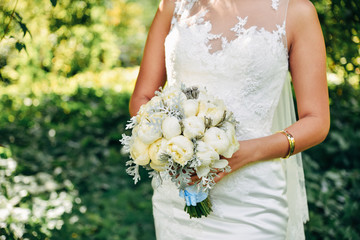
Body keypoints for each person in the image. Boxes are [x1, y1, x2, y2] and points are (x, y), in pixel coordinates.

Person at [129, 0, 330, 239]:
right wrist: (174, 138)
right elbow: (142, 97)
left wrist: (246, 152)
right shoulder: (173, 5)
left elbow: (316, 121)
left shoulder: (297, 12)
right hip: (178, 197)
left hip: (252, 201)